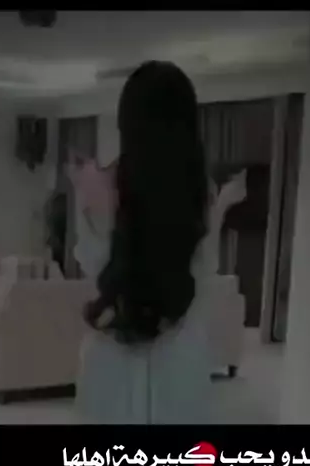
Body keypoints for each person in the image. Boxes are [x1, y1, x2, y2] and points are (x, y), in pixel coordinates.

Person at [68, 61, 246, 423]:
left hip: (114, 356)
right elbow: (203, 271)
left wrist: (87, 198)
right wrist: (222, 207)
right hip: (179, 355)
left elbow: (94, 264)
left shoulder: (103, 184)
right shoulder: (198, 189)